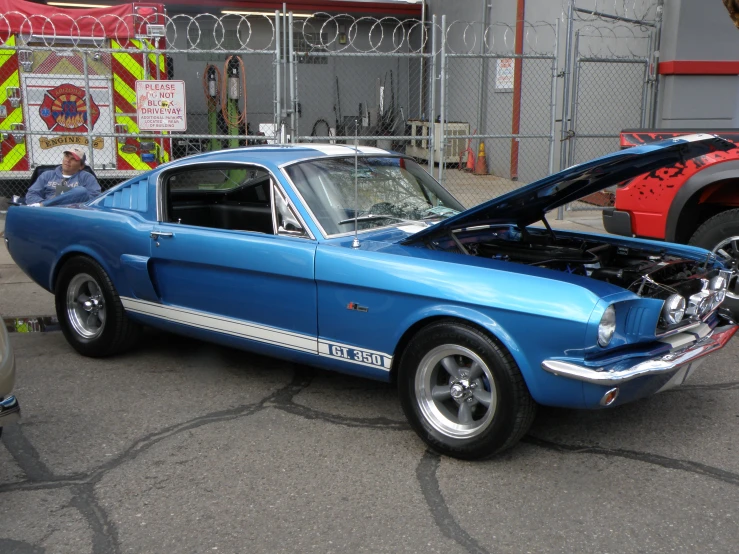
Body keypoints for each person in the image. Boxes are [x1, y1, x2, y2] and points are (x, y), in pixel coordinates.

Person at [25, 146, 101, 207]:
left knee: (81, 191)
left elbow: (95, 198)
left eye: (73, 159)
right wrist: (44, 204)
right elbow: (31, 194)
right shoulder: (47, 175)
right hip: (47, 212)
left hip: (73, 212)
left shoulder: (87, 177)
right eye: (67, 156)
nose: (68, 160)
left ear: (81, 166)